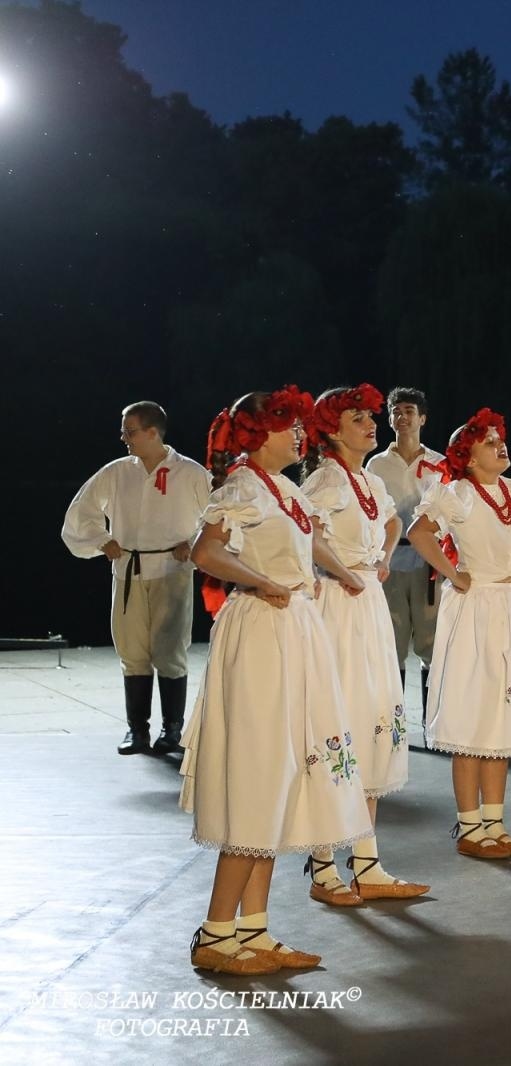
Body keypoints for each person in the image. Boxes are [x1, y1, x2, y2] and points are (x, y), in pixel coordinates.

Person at [180, 387, 373, 974]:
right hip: (263, 633)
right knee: (262, 772)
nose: (298, 434)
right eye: (286, 424)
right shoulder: (240, 487)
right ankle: (217, 935)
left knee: (287, 771)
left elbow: (308, 544)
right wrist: (260, 582)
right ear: (254, 435)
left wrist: (340, 575)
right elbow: (204, 552)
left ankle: (255, 932)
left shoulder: (284, 489)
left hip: (295, 630)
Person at [406, 409, 511, 860]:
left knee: (500, 719)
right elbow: (419, 533)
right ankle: (468, 827)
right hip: (474, 607)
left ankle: (495, 823)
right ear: (468, 455)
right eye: (489, 442)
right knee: (471, 719)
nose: (501, 446)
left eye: (501, 439)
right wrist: (454, 576)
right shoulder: (457, 493)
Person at [298, 384, 428, 903]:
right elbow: (301, 528)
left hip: (369, 603)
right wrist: (341, 569)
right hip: (338, 605)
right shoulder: (325, 479)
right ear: (331, 429)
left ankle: (368, 864)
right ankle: (324, 865)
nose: (370, 423)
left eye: (369, 416)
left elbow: (395, 520)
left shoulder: (370, 478)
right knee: (341, 726)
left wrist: (381, 559)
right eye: (357, 418)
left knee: (374, 724)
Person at [62, 401, 210, 755]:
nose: (124, 438)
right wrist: (102, 541)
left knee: (170, 650)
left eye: (130, 431)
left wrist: (192, 545)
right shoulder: (117, 472)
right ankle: (136, 729)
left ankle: (172, 729)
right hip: (129, 570)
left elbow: (215, 516)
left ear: (153, 432)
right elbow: (82, 511)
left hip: (171, 573)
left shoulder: (189, 472)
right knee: (133, 652)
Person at [366, 387, 447, 731]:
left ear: (423, 418)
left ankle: (434, 723)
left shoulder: (440, 463)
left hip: (429, 560)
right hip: (392, 559)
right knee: (392, 639)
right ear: (389, 418)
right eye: (396, 411)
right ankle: (394, 725)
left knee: (432, 641)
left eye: (409, 411)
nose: (403, 417)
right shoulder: (376, 464)